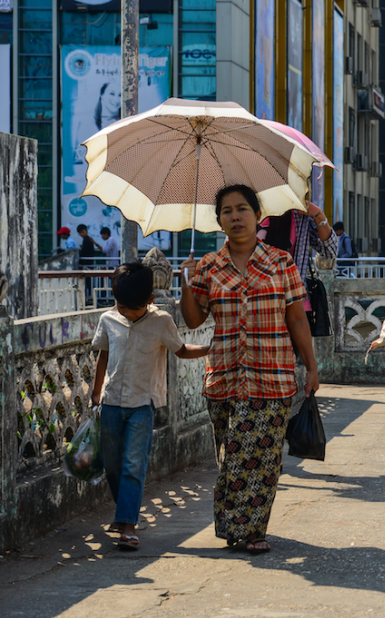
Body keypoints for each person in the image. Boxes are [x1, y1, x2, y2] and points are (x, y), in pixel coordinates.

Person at [179, 184, 320, 554]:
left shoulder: (280, 262)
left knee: (264, 459)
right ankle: (232, 526)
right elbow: (194, 319)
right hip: (225, 377)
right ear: (219, 221)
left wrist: (311, 367)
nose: (236, 216)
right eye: (227, 211)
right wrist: (185, 282)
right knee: (231, 457)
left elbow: (297, 319)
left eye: (243, 209)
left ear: (258, 216)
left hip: (272, 376)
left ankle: (254, 530)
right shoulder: (208, 266)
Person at [89, 261, 209, 550]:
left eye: (134, 308)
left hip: (143, 405)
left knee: (134, 465)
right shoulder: (108, 319)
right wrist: (95, 392)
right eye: (122, 307)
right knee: (113, 466)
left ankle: (128, 525)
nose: (127, 314)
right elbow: (103, 356)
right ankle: (125, 512)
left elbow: (181, 350)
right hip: (111, 403)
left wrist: (210, 349)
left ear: (150, 301)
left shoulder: (162, 320)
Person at [258, 201, 338, 313]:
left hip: (295, 302)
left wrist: (318, 215)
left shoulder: (298, 214)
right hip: (255, 300)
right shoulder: (248, 211)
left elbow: (330, 251)